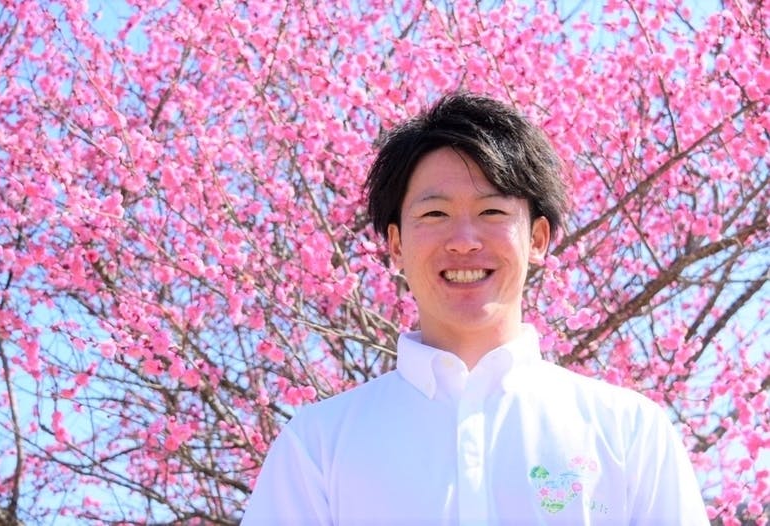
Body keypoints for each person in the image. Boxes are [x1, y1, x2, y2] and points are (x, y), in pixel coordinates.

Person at [241, 92, 709, 525]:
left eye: (492, 212)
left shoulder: (628, 431)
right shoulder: (318, 445)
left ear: (538, 238)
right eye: (435, 214)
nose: (463, 241)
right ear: (396, 245)